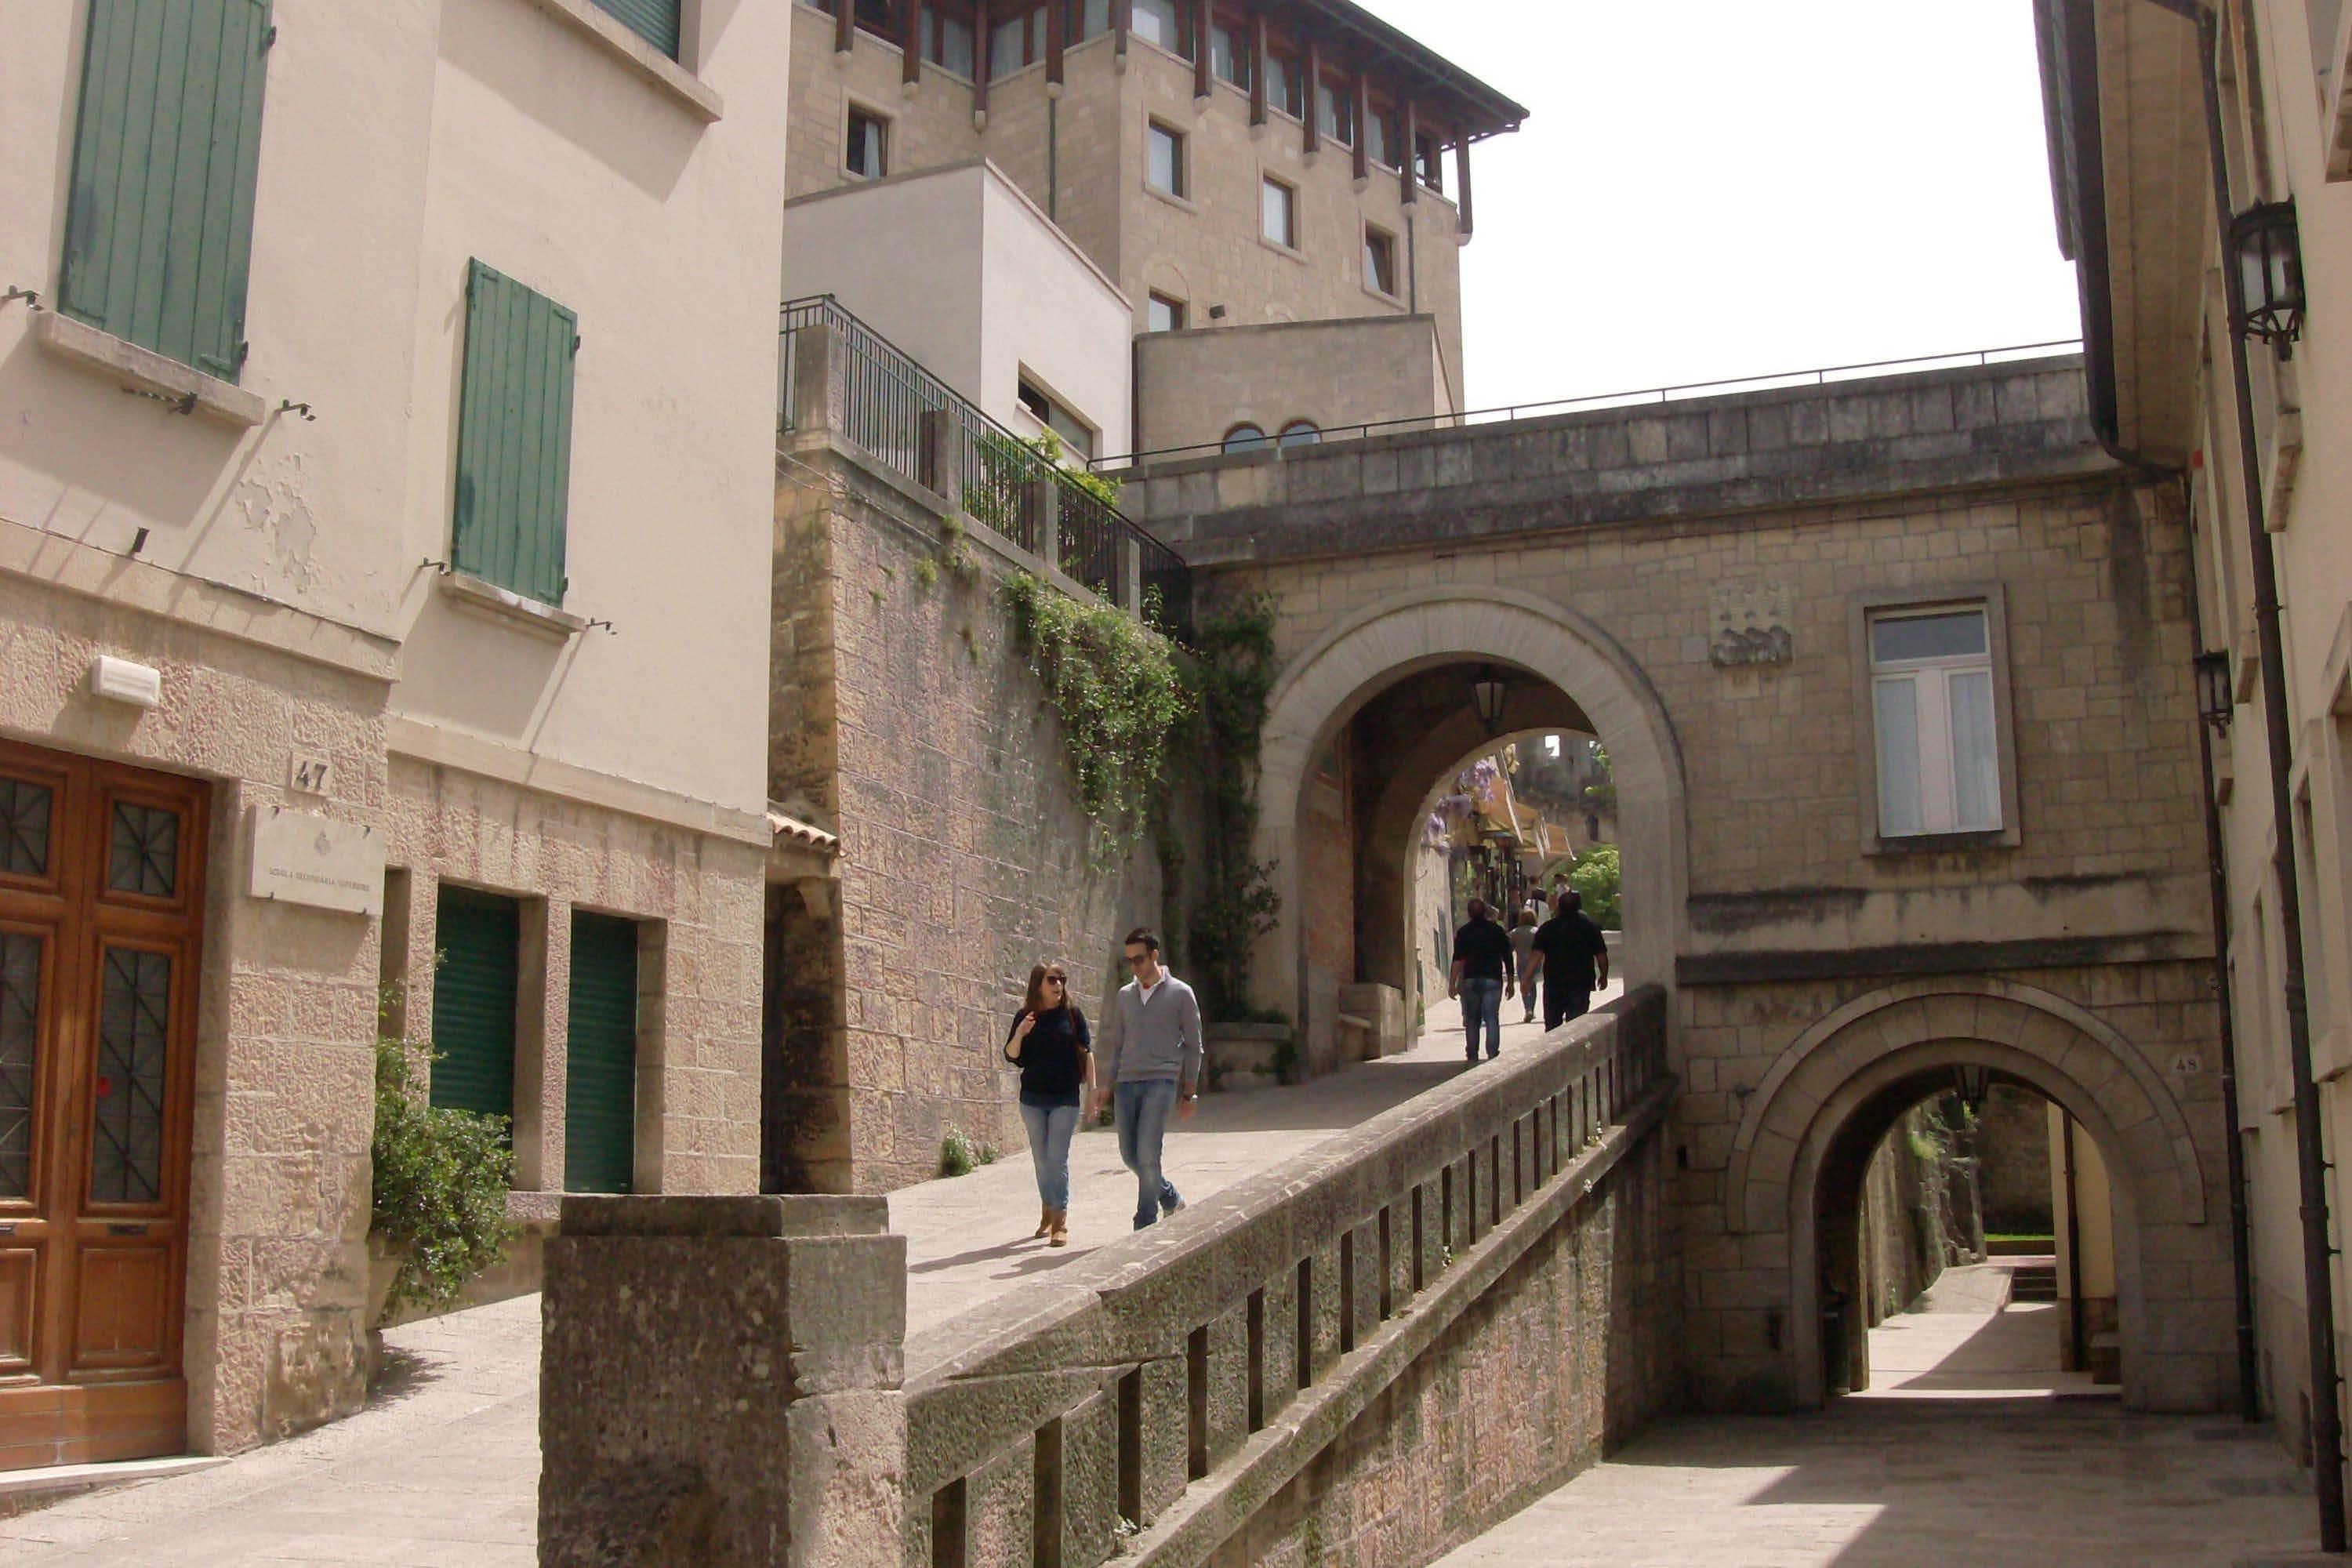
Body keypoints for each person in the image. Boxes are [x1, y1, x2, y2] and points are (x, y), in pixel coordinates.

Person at [1089, 927, 1203, 1231]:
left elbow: (1194, 1046)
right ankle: (1170, 1197)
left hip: (1161, 1081)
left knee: (1148, 1152)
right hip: (1127, 1082)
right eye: (1129, 962)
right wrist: (1105, 1085)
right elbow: (1116, 1044)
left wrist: (1189, 1093)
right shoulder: (1125, 996)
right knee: (1130, 1156)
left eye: (1139, 960)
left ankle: (1145, 1223)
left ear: (1155, 955)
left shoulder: (1181, 993)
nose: (1135, 968)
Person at [1005, 960, 1091, 1248]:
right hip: (1032, 1100)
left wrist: (1093, 1092)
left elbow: (1086, 1054)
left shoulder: (1072, 1015)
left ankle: (1060, 1222)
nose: (1059, 985)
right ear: (1038, 984)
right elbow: (1012, 1055)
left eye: (1062, 980)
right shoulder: (1025, 1017)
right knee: (1041, 1161)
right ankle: (1046, 1211)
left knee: (1057, 1159)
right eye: (1053, 980)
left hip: (1065, 1099)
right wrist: (1021, 1033)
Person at [1526, 887, 1610, 1030]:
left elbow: (1536, 955)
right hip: (1581, 983)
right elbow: (1601, 955)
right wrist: (1604, 975)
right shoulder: (1590, 928)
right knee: (1576, 1026)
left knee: (1552, 1027)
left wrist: (1526, 978)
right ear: (1579, 907)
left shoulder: (1547, 928)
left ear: (1559, 906)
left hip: (1554, 983)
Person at [1447, 898, 1516, 1063]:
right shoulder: (1496, 931)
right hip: (1492, 979)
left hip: (1470, 979)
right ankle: (1492, 1053)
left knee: (1472, 1018)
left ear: (1469, 913)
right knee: (1491, 1017)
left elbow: (1457, 959)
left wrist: (1452, 983)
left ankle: (1472, 1054)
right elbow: (1507, 957)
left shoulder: (1464, 932)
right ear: (1485, 912)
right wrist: (1511, 982)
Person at [1508, 904, 1542, 1024]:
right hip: (1536, 962)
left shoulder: (1515, 932)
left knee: (1524, 985)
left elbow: (1509, 948)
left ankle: (1527, 1008)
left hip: (1521, 962)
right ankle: (1531, 1008)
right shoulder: (1537, 932)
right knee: (1532, 985)